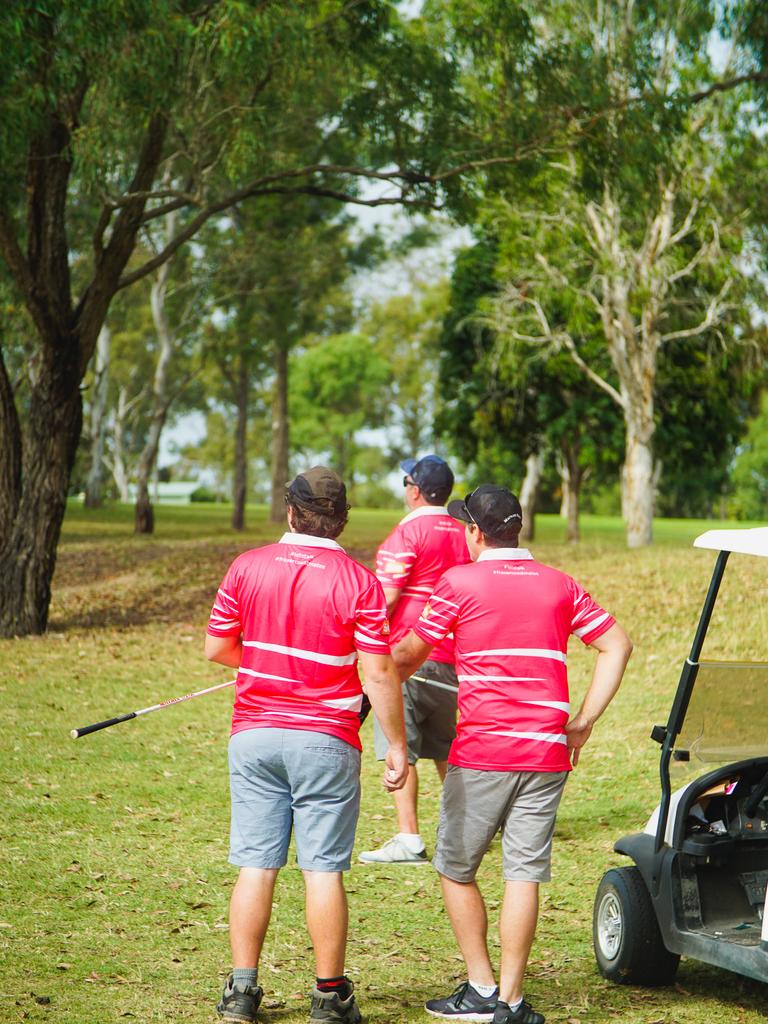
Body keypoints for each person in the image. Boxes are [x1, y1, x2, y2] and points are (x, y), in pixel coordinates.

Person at [392, 485, 633, 1024]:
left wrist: (361, 664)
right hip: (546, 752)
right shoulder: (559, 584)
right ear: (515, 529)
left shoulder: (459, 582)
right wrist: (583, 722)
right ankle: (512, 1001)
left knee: (455, 868)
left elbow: (408, 656)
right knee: (522, 874)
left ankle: (481, 987)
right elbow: (618, 644)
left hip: (483, 751)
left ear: (476, 532)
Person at [204, 467, 408, 1024]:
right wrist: (397, 744)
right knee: (322, 870)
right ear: (340, 519)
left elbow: (217, 647)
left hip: (254, 735)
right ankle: (328, 997)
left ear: (290, 512)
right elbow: (380, 673)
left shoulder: (247, 567)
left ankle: (241, 992)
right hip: (325, 739)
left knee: (255, 865)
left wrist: (269, 662)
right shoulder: (359, 580)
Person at [359, 454, 470, 865]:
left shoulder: (406, 534)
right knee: (446, 751)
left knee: (397, 746)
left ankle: (409, 838)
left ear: (415, 491)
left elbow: (384, 599)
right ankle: (463, 832)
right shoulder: (464, 533)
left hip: (407, 658)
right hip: (453, 657)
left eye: (407, 481)